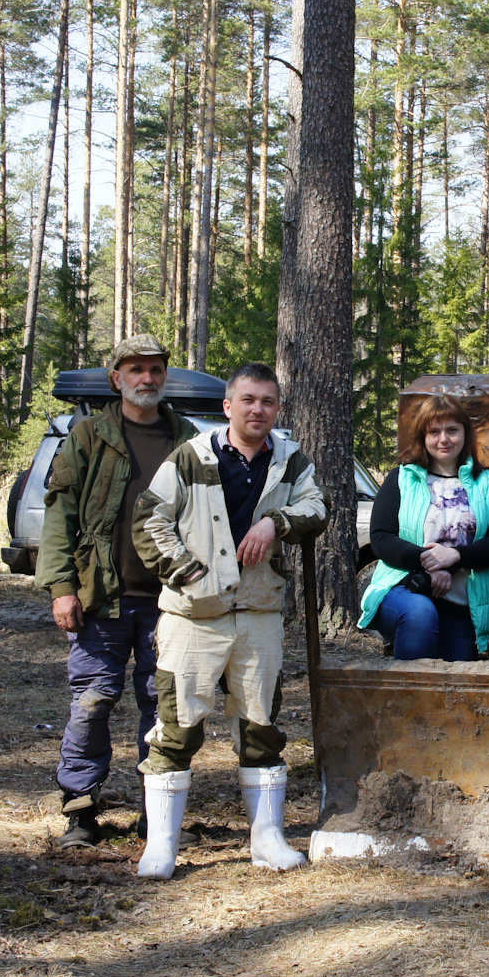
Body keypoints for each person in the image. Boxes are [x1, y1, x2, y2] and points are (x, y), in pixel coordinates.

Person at [130, 362, 328, 879]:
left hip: (259, 611)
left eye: (267, 401)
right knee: (176, 726)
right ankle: (161, 846)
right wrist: (189, 573)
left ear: (277, 409)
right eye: (248, 400)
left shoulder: (290, 460)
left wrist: (274, 521)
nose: (257, 409)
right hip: (193, 615)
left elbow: (319, 507)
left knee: (261, 724)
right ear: (228, 406)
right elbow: (149, 520)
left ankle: (268, 839)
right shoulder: (191, 457)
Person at [36, 336, 199, 850]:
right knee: (92, 699)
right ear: (117, 378)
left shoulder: (187, 439)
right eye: (136, 370)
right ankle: (81, 809)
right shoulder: (88, 437)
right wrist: (62, 588)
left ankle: (159, 809)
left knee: (163, 705)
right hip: (100, 596)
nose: (147, 378)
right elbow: (60, 516)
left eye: (155, 370)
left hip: (170, 600)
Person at [357, 395, 489, 660]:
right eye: (434, 431)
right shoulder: (402, 478)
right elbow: (381, 537)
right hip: (404, 590)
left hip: (463, 604)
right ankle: (407, 695)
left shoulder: (486, 483)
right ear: (423, 436)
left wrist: (455, 558)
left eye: (452, 430)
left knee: (456, 681)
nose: (444, 439)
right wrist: (428, 564)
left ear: (465, 433)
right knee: (420, 614)